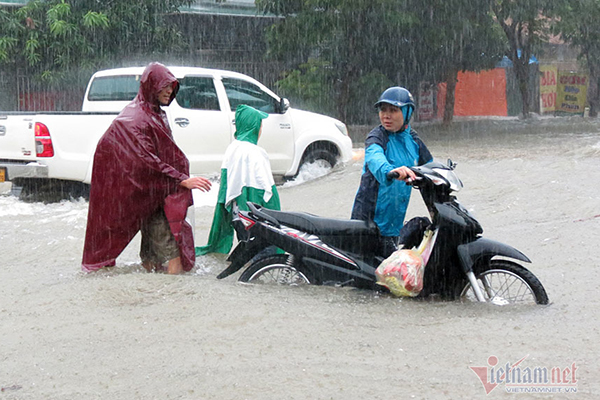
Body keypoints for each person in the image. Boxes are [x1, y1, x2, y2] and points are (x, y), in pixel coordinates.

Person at [82, 62, 211, 274]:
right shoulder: (135, 118)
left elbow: (161, 154)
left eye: (172, 86)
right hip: (148, 192)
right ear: (151, 86)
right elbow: (146, 160)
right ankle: (175, 299)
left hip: (151, 194)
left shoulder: (155, 113)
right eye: (165, 86)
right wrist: (180, 179)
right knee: (173, 255)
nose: (170, 91)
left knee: (151, 256)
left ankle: (150, 296)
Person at [351, 86, 433, 257]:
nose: (386, 115)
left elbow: (430, 166)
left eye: (393, 110)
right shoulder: (377, 137)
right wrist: (390, 170)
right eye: (383, 110)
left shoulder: (414, 140)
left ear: (408, 112)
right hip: (370, 223)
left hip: (393, 224)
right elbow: (375, 158)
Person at [196, 104, 280, 255]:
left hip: (238, 216)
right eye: (260, 124)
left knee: (248, 249)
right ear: (254, 126)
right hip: (256, 217)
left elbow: (225, 189)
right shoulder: (256, 153)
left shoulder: (233, 149)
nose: (261, 129)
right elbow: (268, 192)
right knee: (265, 257)